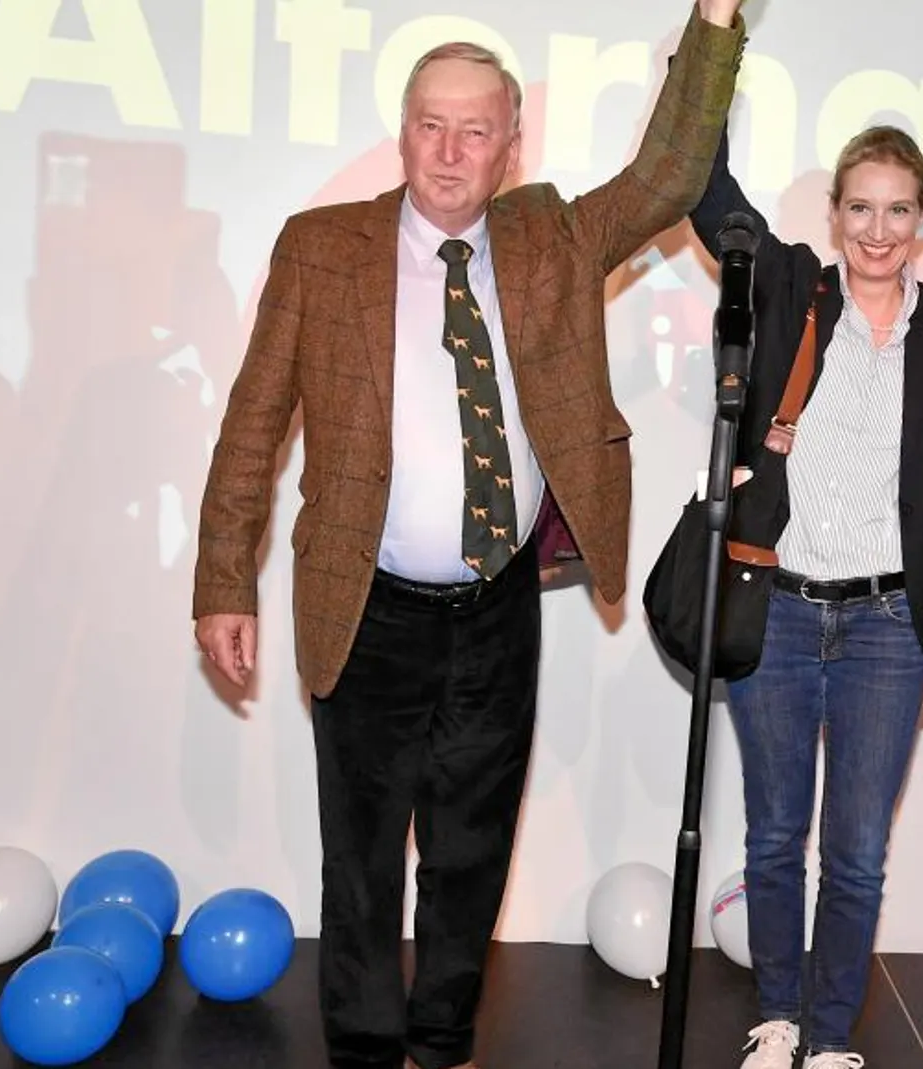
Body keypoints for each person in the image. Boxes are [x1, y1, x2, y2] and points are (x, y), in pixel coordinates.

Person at [190, 4, 748, 1067]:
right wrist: (224, 578)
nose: (450, 152)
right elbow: (253, 422)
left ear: (511, 141)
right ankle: (360, 1051)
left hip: (495, 615)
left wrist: (714, 18)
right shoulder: (322, 249)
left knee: (470, 855)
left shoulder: (552, 236)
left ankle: (442, 1044)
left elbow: (671, 175)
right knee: (358, 865)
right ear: (403, 133)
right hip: (365, 607)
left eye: (475, 130)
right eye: (430, 126)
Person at [687, 124, 923, 1069]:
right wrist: (715, 35)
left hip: (891, 625)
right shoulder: (791, 290)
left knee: (856, 854)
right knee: (775, 836)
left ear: (922, 216)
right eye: (861, 206)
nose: (879, 229)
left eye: (898, 209)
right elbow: (704, 184)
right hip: (775, 608)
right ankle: (777, 1016)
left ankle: (827, 1037)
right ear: (834, 214)